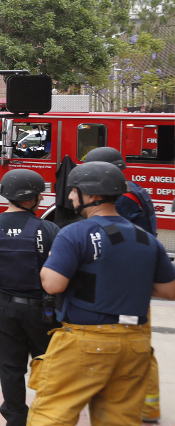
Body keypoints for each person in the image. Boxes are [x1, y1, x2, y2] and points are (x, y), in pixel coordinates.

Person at [29, 162, 175, 426]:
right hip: (135, 344)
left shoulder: (75, 233)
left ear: (91, 195)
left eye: (74, 191)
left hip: (86, 342)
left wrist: (50, 263)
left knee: (51, 417)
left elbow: (53, 285)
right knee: (120, 420)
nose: (71, 196)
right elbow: (169, 291)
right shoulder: (146, 238)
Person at [0, 170, 59, 426]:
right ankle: (47, 416)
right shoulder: (48, 228)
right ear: (34, 198)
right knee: (48, 366)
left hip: (5, 308)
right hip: (44, 311)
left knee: (10, 368)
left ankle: (16, 418)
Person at [83, 146, 160, 422]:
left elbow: (112, 237)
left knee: (132, 348)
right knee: (141, 345)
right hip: (138, 276)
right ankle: (149, 407)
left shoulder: (121, 198)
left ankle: (140, 406)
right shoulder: (135, 189)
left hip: (125, 282)